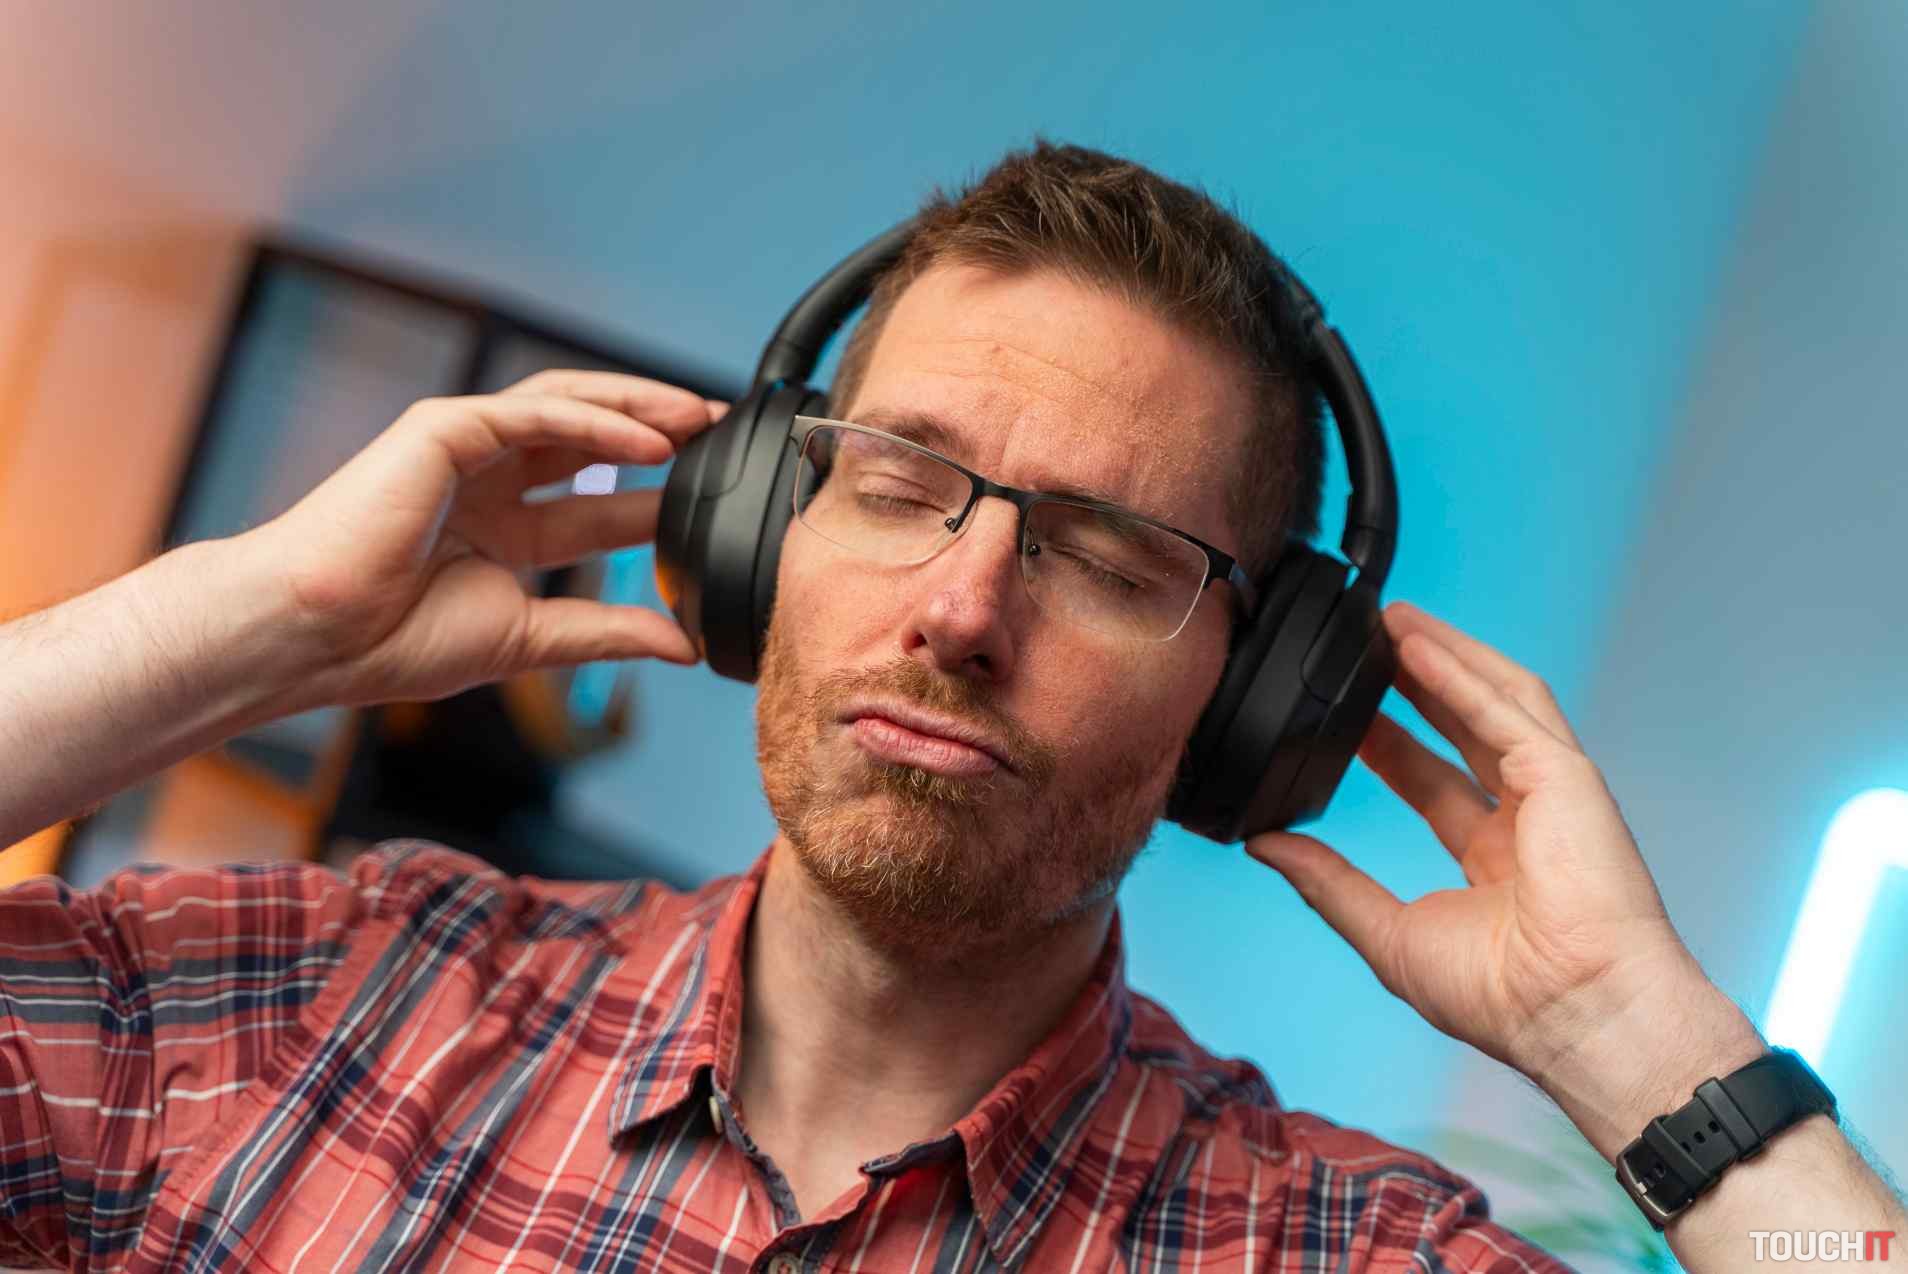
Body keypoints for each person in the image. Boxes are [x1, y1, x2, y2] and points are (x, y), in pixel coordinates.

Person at [0, 141, 1900, 1273]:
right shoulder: (318, 1003)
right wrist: (244, 625)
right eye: (902, 481)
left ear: (1252, 700)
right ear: (762, 531)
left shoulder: (1338, 1246)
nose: (963, 607)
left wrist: (1631, 1035)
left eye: (1108, 555)